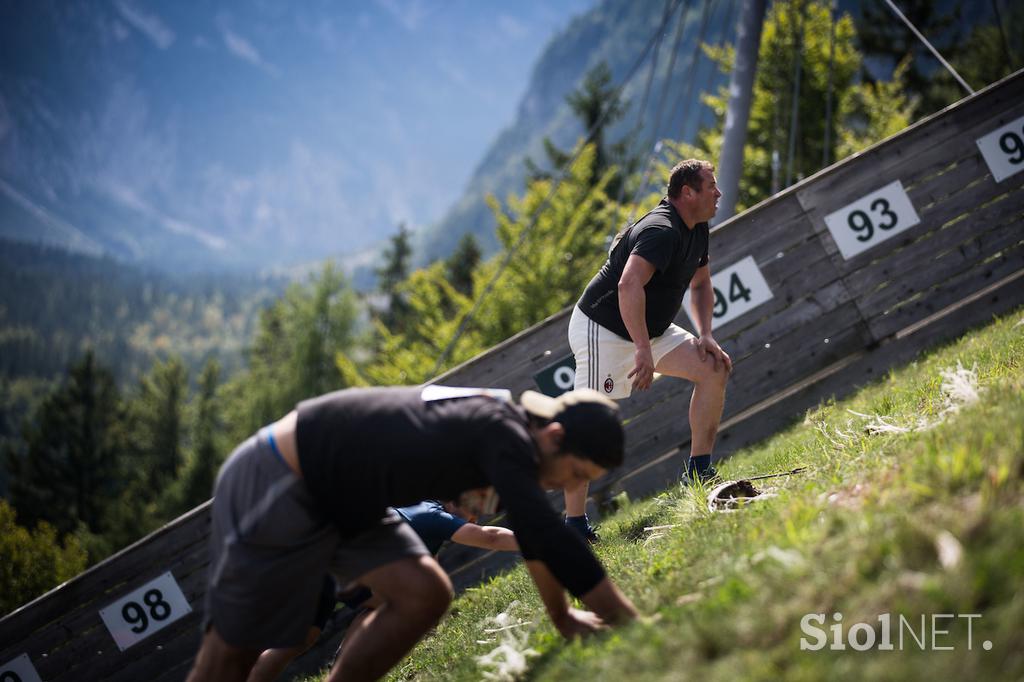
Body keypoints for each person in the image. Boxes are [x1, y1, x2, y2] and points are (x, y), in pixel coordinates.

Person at [186, 385, 638, 682]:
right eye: (574, 472)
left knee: (424, 593)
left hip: (349, 503)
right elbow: (543, 532)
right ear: (554, 435)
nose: (565, 486)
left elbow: (537, 540)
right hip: (283, 474)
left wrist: (562, 616)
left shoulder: (512, 447)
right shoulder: (505, 432)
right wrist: (630, 622)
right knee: (231, 653)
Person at [563, 159, 732, 542]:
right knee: (589, 427)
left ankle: (699, 472)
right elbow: (627, 286)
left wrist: (704, 333)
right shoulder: (661, 231)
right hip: (601, 330)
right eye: (711, 186)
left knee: (714, 368)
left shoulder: (697, 226)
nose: (718, 193)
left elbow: (701, 285)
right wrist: (642, 349)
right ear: (687, 193)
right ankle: (573, 527)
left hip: (648, 330)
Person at [246, 499, 519, 682]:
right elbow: (489, 536)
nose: (475, 516)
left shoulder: (421, 513)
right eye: (475, 509)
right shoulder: (435, 517)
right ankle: (351, 661)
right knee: (404, 603)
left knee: (299, 641)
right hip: (342, 560)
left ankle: (345, 664)